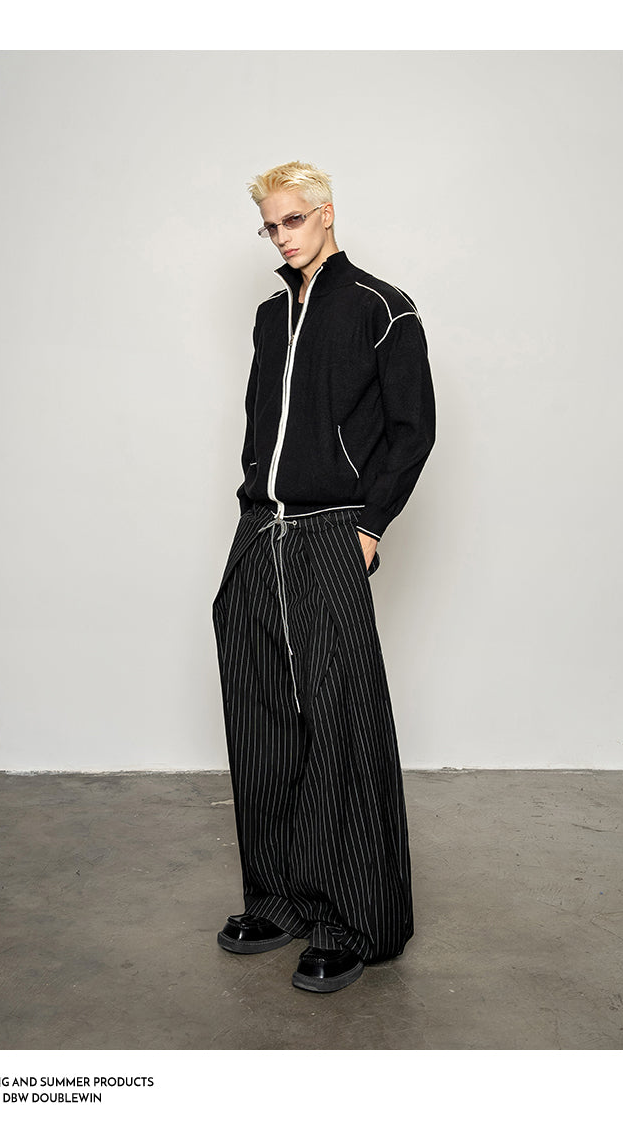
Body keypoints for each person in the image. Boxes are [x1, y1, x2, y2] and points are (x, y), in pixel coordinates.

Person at [211, 160, 436, 993]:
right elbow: (260, 422)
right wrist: (250, 501)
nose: (282, 237)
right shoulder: (271, 316)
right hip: (260, 533)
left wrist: (370, 525)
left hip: (333, 530)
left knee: (342, 723)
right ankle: (277, 898)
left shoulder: (381, 307)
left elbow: (414, 429)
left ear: (327, 214)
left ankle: (352, 918)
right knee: (262, 718)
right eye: (270, 226)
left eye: (293, 220)